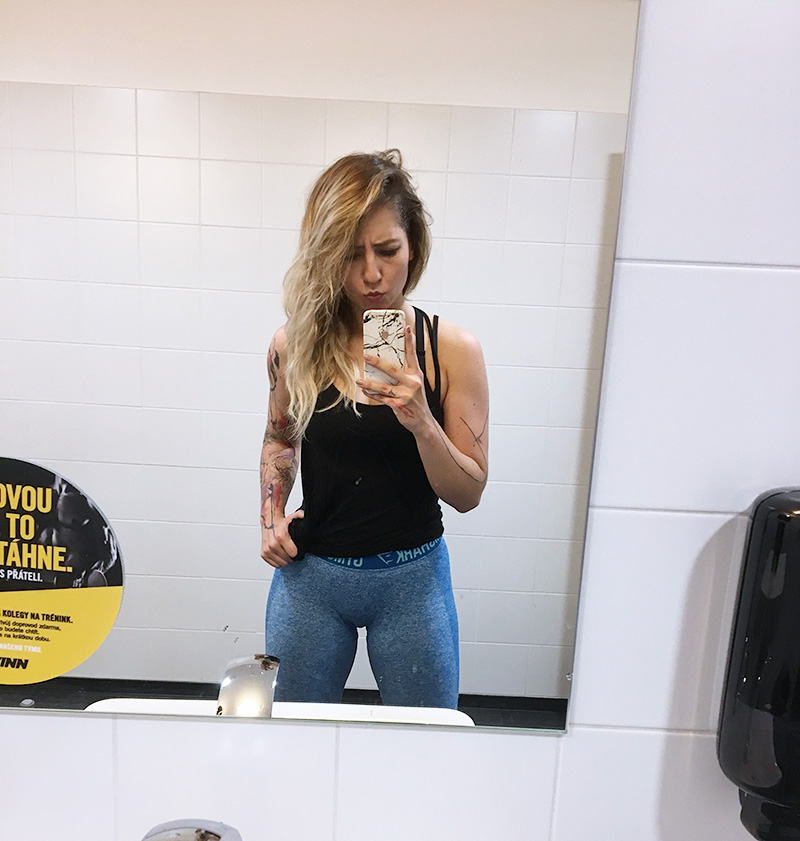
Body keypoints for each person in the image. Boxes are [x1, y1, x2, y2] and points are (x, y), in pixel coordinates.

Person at [260, 149, 489, 708]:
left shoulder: (451, 351)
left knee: (425, 742)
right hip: (313, 578)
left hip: (413, 579)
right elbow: (280, 438)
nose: (371, 274)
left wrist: (422, 422)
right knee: (294, 736)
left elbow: (468, 494)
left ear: (414, 248)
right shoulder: (294, 345)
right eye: (350, 254)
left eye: (387, 251)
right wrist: (270, 517)